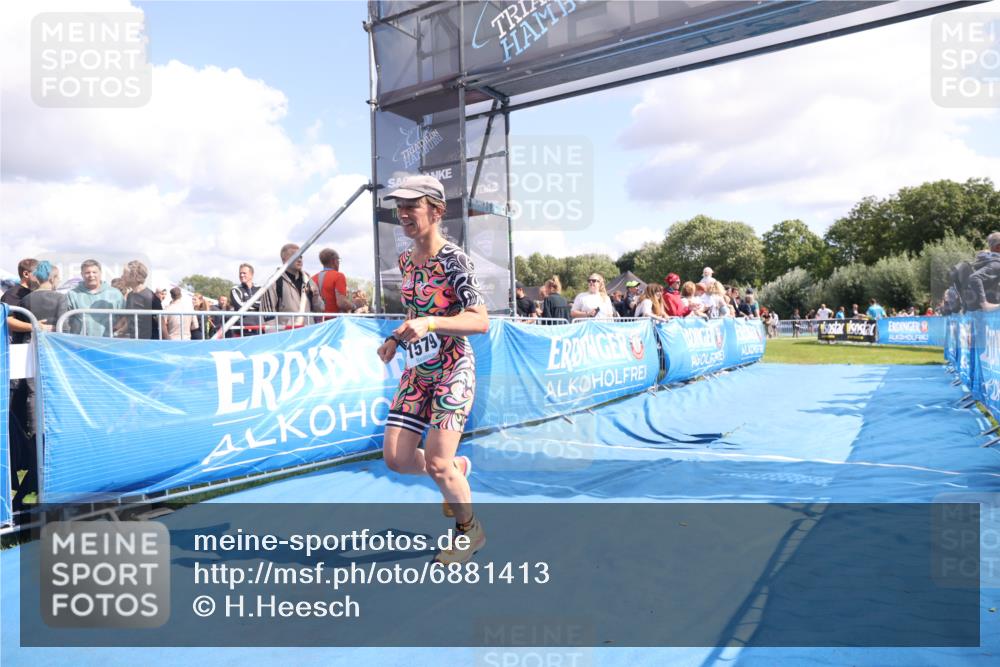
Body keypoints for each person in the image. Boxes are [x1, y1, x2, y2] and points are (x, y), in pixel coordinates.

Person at [375, 174, 489, 565]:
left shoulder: (454, 259)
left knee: (437, 463)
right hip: (418, 370)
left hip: (453, 368)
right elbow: (414, 311)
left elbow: (480, 320)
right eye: (400, 207)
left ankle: (469, 530)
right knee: (396, 459)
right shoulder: (406, 260)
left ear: (437, 211)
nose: (403, 214)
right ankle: (456, 469)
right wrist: (396, 338)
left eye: (412, 206)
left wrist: (432, 323)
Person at [259, 244, 324, 330]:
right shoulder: (274, 282)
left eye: (301, 256)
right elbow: (267, 315)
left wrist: (315, 296)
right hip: (287, 334)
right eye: (295, 256)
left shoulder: (308, 280)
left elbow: (320, 309)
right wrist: (274, 335)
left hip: (308, 332)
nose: (299, 259)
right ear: (284, 259)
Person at [66, 259, 125, 336]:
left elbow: (125, 317)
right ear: (82, 274)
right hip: (80, 341)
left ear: (100, 273)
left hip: (109, 340)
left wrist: (117, 331)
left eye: (94, 272)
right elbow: (65, 320)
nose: (91, 275)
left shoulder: (115, 293)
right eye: (87, 272)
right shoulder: (72, 294)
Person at [120, 260, 162, 339]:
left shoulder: (150, 297)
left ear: (134, 276)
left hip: (149, 341)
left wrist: (168, 341)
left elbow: (161, 323)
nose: (122, 276)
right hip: (135, 341)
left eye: (125, 274)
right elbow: (130, 321)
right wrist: (118, 332)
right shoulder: (130, 296)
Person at [3, 258, 39, 343]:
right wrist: (35, 326)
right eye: (39, 273)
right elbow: (8, 320)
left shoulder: (37, 292)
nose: (42, 277)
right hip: (21, 345)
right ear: (26, 274)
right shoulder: (12, 294)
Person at [312, 248, 351, 315]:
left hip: (317, 319)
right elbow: (341, 303)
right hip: (334, 319)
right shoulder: (338, 276)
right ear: (334, 261)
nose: (339, 262)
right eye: (338, 260)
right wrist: (353, 306)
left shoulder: (313, 278)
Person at [229, 263, 262, 336]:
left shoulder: (260, 288)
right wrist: (257, 305)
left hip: (259, 328)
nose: (241, 275)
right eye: (240, 273)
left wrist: (247, 303)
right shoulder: (235, 289)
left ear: (251, 274)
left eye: (244, 273)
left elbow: (264, 305)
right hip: (242, 329)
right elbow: (240, 306)